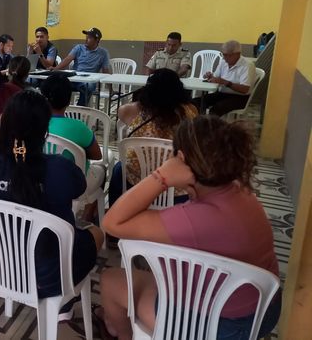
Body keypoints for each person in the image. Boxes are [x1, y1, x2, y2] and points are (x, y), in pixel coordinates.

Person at [97, 116, 281, 340]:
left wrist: (161, 176)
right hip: (265, 310)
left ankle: (122, 333)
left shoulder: (192, 219)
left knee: (110, 280)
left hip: (220, 327)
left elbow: (112, 223)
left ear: (180, 159)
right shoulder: (241, 192)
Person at [0, 90, 104, 320]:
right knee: (96, 233)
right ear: (44, 131)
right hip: (48, 276)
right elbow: (79, 190)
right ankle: (65, 299)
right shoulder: (59, 169)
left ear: (2, 120)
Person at [109, 69, 197, 204]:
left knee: (118, 168)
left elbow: (122, 116)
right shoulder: (190, 111)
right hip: (177, 186)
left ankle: (116, 208)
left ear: (148, 90)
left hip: (137, 182)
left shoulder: (130, 110)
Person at [40, 74, 106, 222]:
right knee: (103, 168)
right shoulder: (79, 127)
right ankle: (88, 216)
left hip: (41, 181)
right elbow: (97, 155)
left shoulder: (35, 122)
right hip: (74, 185)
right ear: (69, 100)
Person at [193, 40, 256, 116]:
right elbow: (217, 77)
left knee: (217, 108)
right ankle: (200, 121)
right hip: (222, 93)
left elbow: (245, 89)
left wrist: (226, 82)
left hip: (240, 97)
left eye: (227, 55)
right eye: (223, 54)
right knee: (197, 102)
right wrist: (211, 77)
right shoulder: (223, 62)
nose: (224, 58)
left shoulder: (247, 65)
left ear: (237, 54)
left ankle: (211, 123)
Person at [52, 27, 111, 106]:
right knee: (59, 84)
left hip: (89, 80)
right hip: (75, 78)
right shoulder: (79, 48)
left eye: (89, 38)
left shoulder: (103, 53)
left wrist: (110, 88)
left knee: (88, 87)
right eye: (86, 37)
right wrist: (55, 69)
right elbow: (67, 59)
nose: (86, 39)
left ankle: (79, 109)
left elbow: (105, 70)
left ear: (97, 40)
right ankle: (61, 107)